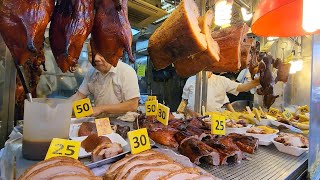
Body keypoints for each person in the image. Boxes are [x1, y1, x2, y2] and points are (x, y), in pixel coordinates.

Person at [69, 43, 140, 117]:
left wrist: (101, 109)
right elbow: (79, 95)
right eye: (91, 55)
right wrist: (63, 107)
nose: (96, 58)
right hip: (99, 123)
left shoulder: (126, 71)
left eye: (101, 53)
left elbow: (132, 105)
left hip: (123, 123)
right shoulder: (91, 72)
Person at [181, 71, 260, 116]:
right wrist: (182, 112)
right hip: (192, 119)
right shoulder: (190, 80)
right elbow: (184, 101)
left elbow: (240, 87)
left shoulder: (221, 80)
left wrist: (256, 82)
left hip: (215, 119)